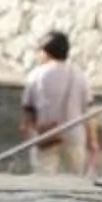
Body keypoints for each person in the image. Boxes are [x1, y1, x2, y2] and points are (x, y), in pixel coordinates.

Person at [19, 29, 97, 174]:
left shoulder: (36, 76)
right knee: (74, 182)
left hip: (46, 136)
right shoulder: (80, 76)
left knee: (44, 182)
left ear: (46, 52)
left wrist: (27, 131)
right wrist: (93, 140)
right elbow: (88, 111)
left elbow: (28, 110)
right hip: (75, 136)